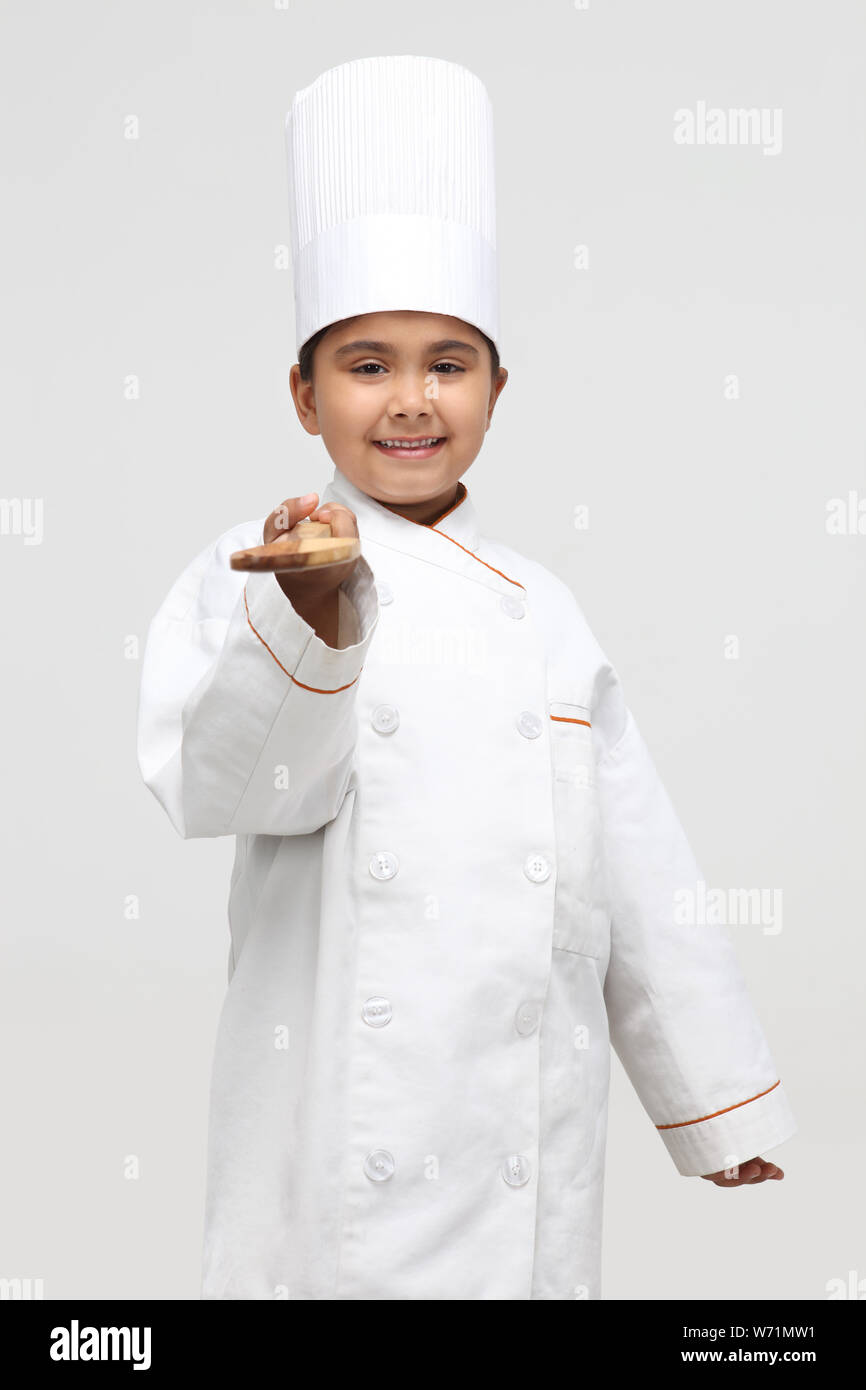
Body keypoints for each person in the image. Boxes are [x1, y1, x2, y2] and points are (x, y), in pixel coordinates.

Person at [136, 55, 796, 1301]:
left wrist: (713, 1097)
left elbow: (636, 866)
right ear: (303, 392)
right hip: (334, 1140)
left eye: (447, 362)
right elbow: (229, 785)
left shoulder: (545, 612)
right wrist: (314, 612)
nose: (409, 402)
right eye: (366, 364)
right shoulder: (255, 568)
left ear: (497, 386)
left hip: (519, 1148)